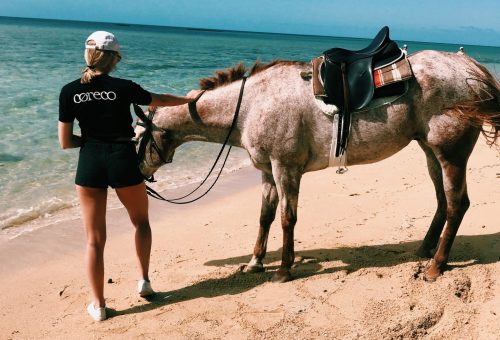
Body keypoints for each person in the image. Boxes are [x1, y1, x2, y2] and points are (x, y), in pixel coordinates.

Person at [58, 31, 203, 321]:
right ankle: (144, 282)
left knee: (94, 240)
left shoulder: (69, 90)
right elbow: (159, 100)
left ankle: (98, 306)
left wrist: (91, 142)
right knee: (141, 223)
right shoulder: (124, 87)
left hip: (90, 162)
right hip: (122, 159)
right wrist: (188, 99)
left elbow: (65, 142)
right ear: (113, 59)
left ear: (88, 56)